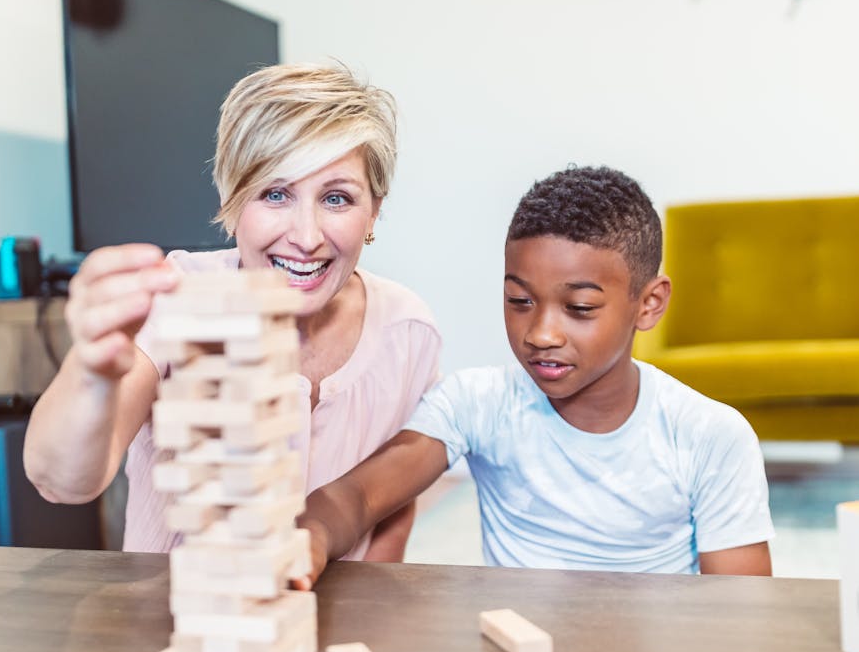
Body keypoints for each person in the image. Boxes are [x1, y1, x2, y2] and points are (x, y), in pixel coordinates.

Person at [24, 63, 441, 560]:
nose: (306, 238)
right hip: (176, 622)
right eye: (275, 193)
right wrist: (90, 372)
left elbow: (394, 503)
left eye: (336, 198)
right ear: (230, 195)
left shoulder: (408, 331)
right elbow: (62, 483)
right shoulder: (176, 301)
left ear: (373, 210)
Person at [297, 166, 774, 585]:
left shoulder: (711, 435)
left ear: (649, 303)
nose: (541, 333)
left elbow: (742, 610)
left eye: (580, 308)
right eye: (520, 301)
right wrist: (313, 535)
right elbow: (357, 496)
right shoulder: (477, 402)